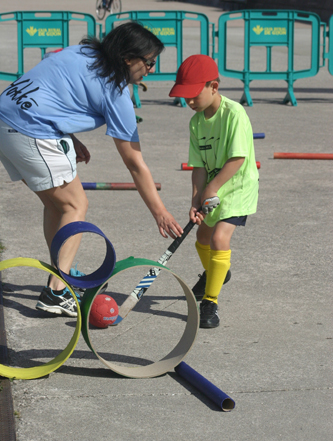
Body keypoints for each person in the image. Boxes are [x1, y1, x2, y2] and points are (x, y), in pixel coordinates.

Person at [0, 22, 183, 317]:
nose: (150, 70)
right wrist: (160, 211)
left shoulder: (81, 52)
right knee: (76, 204)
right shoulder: (116, 92)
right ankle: (56, 292)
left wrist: (68, 137)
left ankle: (63, 275)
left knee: (57, 204)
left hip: (5, 119)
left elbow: (50, 89)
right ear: (127, 58)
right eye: (149, 62)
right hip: (31, 130)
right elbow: (134, 163)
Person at [169, 55, 259, 329]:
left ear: (214, 86)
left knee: (219, 238)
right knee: (202, 235)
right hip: (212, 187)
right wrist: (196, 197)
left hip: (238, 186)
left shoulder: (234, 114)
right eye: (184, 97)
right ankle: (217, 272)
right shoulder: (196, 123)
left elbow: (237, 159)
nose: (190, 102)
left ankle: (210, 300)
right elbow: (197, 165)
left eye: (194, 95)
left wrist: (211, 187)